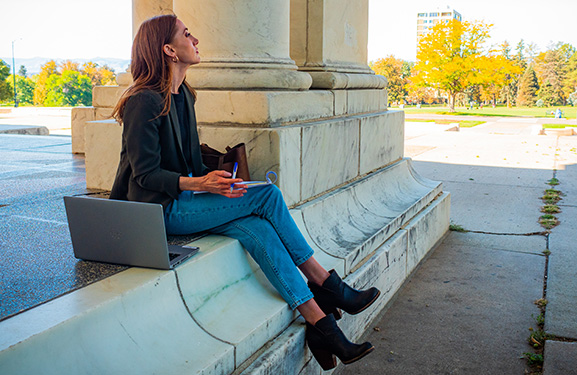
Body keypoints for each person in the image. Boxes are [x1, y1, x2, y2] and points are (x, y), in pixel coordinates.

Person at [110, 14, 380, 370]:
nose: (196, 40)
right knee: (268, 196)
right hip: (161, 209)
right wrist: (199, 184)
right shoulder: (143, 101)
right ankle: (326, 282)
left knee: (260, 228)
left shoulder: (184, 96)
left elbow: (190, 164)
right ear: (168, 50)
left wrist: (217, 177)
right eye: (186, 35)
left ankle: (321, 324)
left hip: (187, 199)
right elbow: (145, 175)